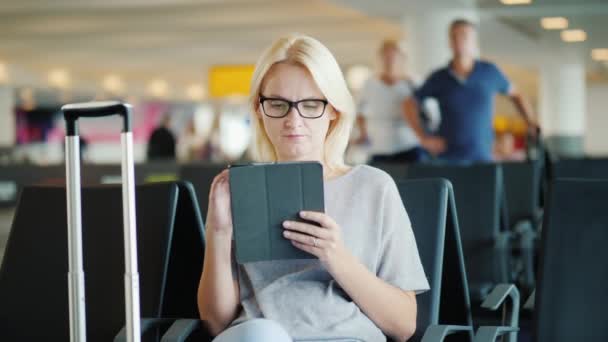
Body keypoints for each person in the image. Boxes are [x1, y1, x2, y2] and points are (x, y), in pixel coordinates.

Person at [198, 34, 429, 342]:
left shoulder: (372, 187)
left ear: (334, 109)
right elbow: (216, 323)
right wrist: (218, 231)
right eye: (278, 104)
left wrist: (337, 257)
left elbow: (403, 325)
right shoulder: (241, 190)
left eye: (310, 105)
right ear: (259, 109)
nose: (294, 120)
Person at [404, 19, 538, 163]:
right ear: (449, 42)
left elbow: (516, 95)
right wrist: (423, 138)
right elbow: (409, 103)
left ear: (474, 42)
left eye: (464, 36)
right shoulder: (439, 77)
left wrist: (530, 122)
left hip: (483, 156)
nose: (459, 40)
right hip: (447, 158)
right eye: (454, 36)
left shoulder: (490, 72)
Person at [355, 40, 426, 163]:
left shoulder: (413, 83)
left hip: (409, 146)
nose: (389, 61)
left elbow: (427, 113)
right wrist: (363, 133)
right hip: (379, 149)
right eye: (385, 57)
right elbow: (360, 112)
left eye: (393, 57)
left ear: (402, 59)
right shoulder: (369, 84)